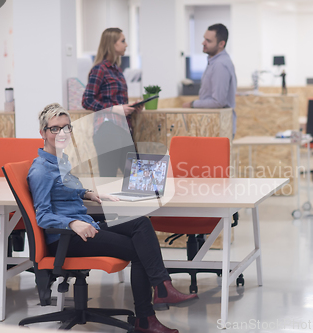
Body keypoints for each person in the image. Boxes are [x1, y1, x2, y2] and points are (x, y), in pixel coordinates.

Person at [27, 103, 198, 333]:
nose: (62, 133)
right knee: (140, 250)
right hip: (66, 238)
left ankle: (162, 287)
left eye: (67, 128)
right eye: (55, 129)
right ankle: (147, 318)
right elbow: (43, 215)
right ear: (43, 133)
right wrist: (72, 223)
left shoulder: (61, 160)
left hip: (84, 226)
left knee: (140, 223)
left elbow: (63, 192)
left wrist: (87, 193)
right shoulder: (40, 170)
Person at [82, 28, 142, 177]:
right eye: (122, 41)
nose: (126, 44)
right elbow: (87, 100)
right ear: (112, 44)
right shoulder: (99, 69)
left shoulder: (117, 70)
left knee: (135, 178)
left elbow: (118, 104)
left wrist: (133, 107)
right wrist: (114, 109)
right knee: (108, 178)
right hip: (107, 128)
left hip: (122, 129)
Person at [182, 23, 237, 135]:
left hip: (219, 126)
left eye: (208, 41)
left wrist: (192, 104)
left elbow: (218, 102)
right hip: (215, 124)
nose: (203, 43)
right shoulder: (214, 62)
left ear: (221, 44)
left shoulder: (220, 65)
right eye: (204, 39)